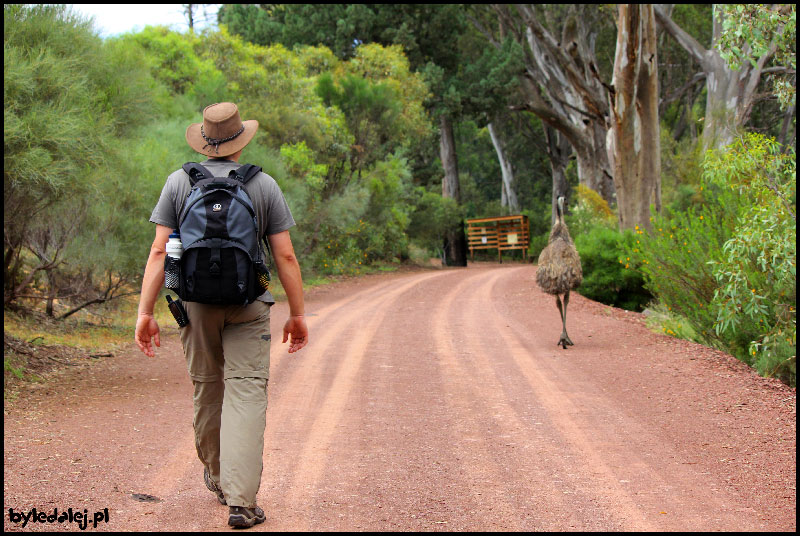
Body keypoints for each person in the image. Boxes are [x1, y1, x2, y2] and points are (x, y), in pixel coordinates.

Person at [134, 102, 308, 528]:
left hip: (193, 306)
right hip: (250, 304)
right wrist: (297, 313)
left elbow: (160, 250)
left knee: (208, 389)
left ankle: (216, 475)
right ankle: (242, 501)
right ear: (239, 140)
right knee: (246, 393)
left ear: (204, 141)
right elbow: (284, 253)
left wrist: (145, 312)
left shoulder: (179, 182)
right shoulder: (262, 184)